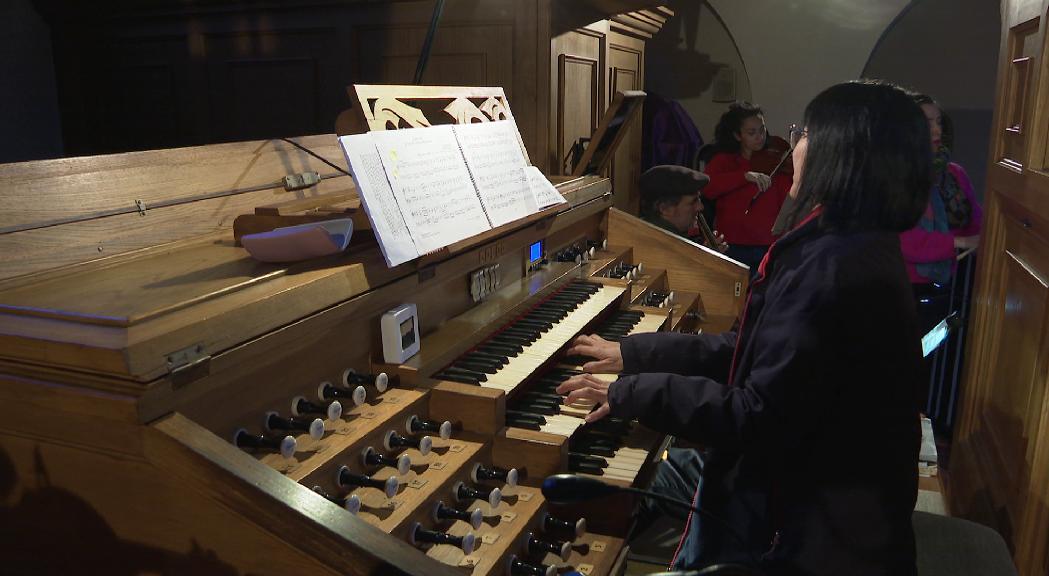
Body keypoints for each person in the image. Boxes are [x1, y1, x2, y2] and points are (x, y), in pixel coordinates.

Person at [558, 80, 930, 575]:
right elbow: (749, 351)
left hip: (809, 532)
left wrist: (632, 393)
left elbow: (758, 417)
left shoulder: (834, 270)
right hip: (801, 486)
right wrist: (634, 354)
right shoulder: (846, 244)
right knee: (612, 478)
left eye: (805, 132)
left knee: (609, 477)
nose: (794, 145)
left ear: (840, 153)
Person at [900, 93, 982, 334]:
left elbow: (977, 222)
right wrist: (958, 242)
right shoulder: (893, 176)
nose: (937, 130)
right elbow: (903, 240)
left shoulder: (955, 173)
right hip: (907, 290)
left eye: (939, 122)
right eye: (928, 123)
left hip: (953, 286)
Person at [703, 102, 792, 274]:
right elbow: (707, 188)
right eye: (752, 133)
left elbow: (787, 198)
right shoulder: (724, 161)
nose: (760, 137)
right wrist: (744, 176)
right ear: (737, 136)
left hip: (768, 244)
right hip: (732, 245)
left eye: (762, 130)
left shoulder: (776, 160)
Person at [639, 165, 728, 252]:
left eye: (699, 199)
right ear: (665, 209)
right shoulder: (656, 247)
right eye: (693, 202)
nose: (701, 207)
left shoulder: (672, 240)